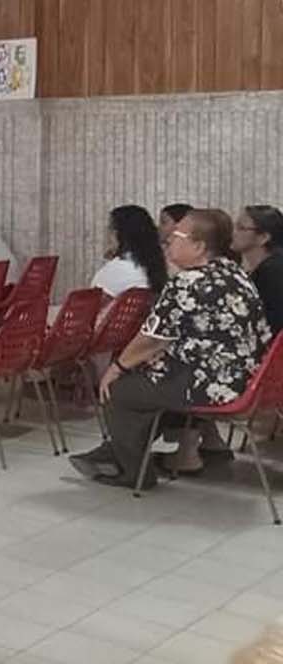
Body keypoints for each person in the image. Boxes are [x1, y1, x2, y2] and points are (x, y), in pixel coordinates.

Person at [69, 209, 270, 488]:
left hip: (207, 382)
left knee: (118, 389)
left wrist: (116, 368)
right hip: (242, 377)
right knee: (147, 384)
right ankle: (116, 452)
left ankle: (132, 472)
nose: (167, 241)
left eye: (176, 236)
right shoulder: (235, 272)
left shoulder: (187, 282)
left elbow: (152, 339)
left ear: (199, 247)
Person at [92, 205, 168, 300]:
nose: (108, 235)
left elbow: (94, 299)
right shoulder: (157, 264)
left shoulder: (118, 268)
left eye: (111, 228)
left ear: (120, 234)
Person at [236, 205, 283, 334]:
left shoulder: (273, 272)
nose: (234, 233)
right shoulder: (257, 268)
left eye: (241, 228)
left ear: (263, 237)